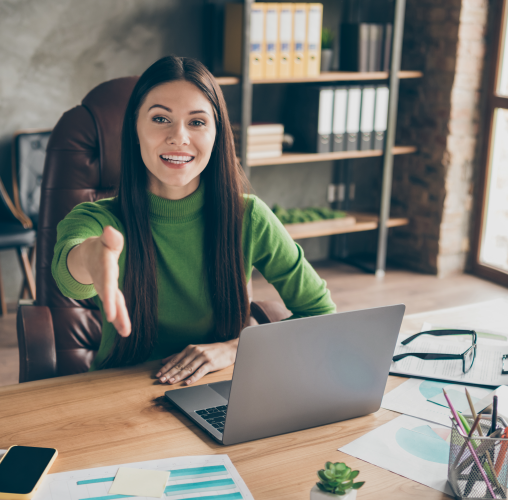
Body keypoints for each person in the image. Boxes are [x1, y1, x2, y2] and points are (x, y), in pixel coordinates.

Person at [52, 56, 335, 386]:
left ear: (217, 134)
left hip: (222, 388)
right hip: (118, 393)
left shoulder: (249, 216)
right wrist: (92, 259)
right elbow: (67, 273)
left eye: (197, 122)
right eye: (161, 118)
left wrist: (235, 348)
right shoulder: (97, 219)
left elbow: (321, 314)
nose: (179, 137)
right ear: (135, 128)